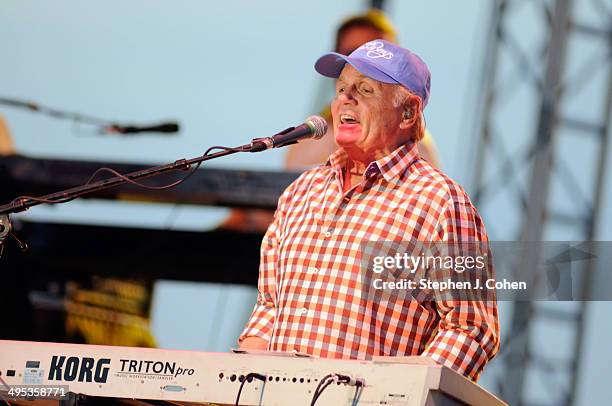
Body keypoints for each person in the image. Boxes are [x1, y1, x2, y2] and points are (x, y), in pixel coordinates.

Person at [239, 39, 499, 381]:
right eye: (342, 88)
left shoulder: (441, 203)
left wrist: (400, 390)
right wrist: (233, 377)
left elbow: (471, 329)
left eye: (365, 89)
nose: (346, 98)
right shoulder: (301, 193)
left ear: (407, 112)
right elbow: (269, 309)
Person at [285, 9, 439, 170]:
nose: (358, 66)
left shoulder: (420, 149)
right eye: (352, 54)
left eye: (377, 57)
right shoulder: (307, 142)